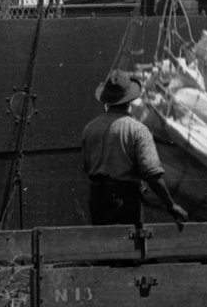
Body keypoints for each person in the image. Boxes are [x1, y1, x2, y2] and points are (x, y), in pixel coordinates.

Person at [80, 70, 190, 229]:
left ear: (107, 100)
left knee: (105, 247)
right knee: (129, 248)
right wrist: (170, 204)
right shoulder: (137, 130)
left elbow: (87, 167)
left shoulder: (89, 129)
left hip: (98, 200)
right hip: (126, 200)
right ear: (129, 100)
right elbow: (153, 175)